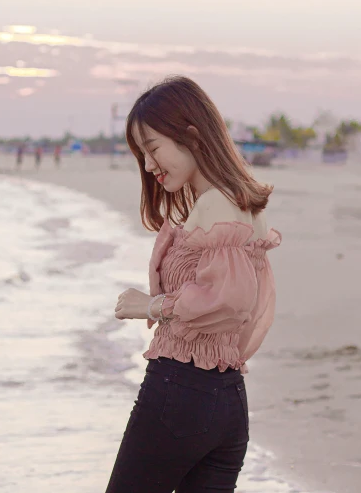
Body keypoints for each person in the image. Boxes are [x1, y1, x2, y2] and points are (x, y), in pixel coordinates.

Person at [106, 76, 282, 493]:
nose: (148, 165)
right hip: (227, 400)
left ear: (190, 135)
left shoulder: (216, 204)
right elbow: (251, 308)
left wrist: (149, 306)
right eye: (141, 155)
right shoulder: (238, 201)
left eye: (152, 149)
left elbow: (232, 301)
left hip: (180, 392)